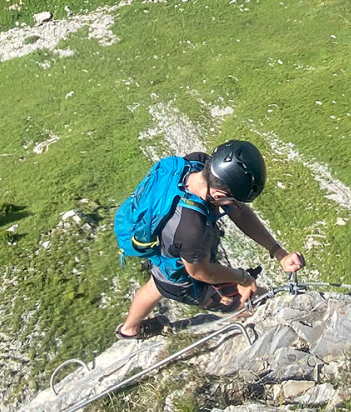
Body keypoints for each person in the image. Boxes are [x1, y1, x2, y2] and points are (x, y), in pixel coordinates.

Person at [117, 140, 305, 339]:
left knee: (158, 283)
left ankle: (129, 329)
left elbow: (239, 214)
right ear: (218, 194)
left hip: (165, 252)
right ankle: (238, 326)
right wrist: (243, 278)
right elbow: (201, 273)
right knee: (254, 298)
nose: (236, 205)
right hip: (184, 276)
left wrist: (279, 252)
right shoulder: (192, 229)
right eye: (233, 200)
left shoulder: (197, 163)